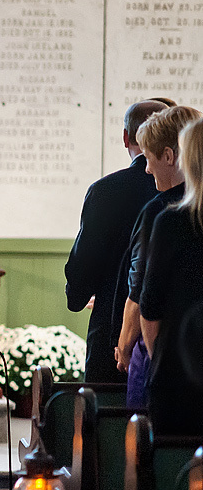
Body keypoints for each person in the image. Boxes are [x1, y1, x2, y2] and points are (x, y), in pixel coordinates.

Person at [65, 100, 166, 383]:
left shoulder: (105, 191)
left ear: (125, 137)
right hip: (170, 337)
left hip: (111, 327)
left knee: (103, 417)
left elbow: (84, 261)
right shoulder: (185, 194)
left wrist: (77, 295)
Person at [113, 106, 202, 406]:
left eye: (149, 159)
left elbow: (145, 299)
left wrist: (147, 354)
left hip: (171, 358)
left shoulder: (164, 214)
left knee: (148, 442)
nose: (147, 169)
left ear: (173, 156)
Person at [140, 117, 203, 436]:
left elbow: (150, 306)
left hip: (179, 374)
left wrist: (158, 359)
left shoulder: (172, 221)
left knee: (175, 477)